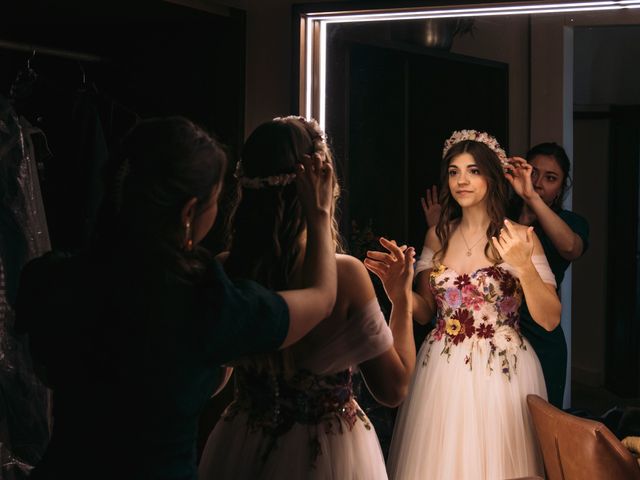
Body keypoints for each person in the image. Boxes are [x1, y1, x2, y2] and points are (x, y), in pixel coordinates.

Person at [14, 116, 338, 480]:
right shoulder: (204, 302)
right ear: (188, 214)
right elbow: (321, 298)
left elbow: (44, 369)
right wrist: (320, 214)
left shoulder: (54, 277)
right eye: (216, 201)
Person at [198, 116, 416, 480]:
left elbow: (213, 379)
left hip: (244, 442)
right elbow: (394, 389)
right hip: (329, 453)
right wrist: (401, 299)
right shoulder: (345, 276)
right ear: (321, 185)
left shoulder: (227, 269)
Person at [375, 130, 560, 479]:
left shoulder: (520, 236)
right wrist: (397, 292)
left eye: (473, 171)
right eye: (454, 171)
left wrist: (522, 266)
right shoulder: (437, 236)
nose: (462, 180)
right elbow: (426, 310)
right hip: (441, 370)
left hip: (503, 370)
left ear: (492, 176)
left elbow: (550, 319)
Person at [505, 143, 589, 408]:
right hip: (498, 331)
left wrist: (532, 199)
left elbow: (570, 248)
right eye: (534, 173)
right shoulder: (500, 216)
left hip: (541, 331)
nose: (539, 183)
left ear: (562, 187)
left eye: (550, 178)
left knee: (540, 424)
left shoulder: (570, 222)